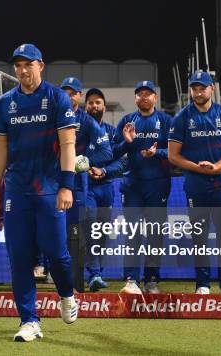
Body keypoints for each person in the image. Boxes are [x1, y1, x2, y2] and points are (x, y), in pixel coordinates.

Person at [0, 43, 79, 342]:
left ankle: (66, 294)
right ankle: (29, 320)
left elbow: (68, 145)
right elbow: (1, 147)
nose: (23, 70)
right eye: (18, 65)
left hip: (50, 188)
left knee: (57, 254)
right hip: (16, 189)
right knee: (20, 257)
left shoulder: (56, 98)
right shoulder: (5, 103)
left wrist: (67, 185)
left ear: (41, 65)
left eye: (28, 64)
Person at [168, 71, 221, 295]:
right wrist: (196, 167)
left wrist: (220, 165)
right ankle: (202, 284)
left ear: (212, 89)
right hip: (195, 184)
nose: (198, 92)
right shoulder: (182, 117)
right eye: (194, 88)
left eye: (202, 88)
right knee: (199, 235)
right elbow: (173, 156)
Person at [112, 81, 172, 294]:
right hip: (133, 185)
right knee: (133, 233)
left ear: (155, 98)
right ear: (135, 98)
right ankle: (131, 280)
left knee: (155, 233)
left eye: (148, 94)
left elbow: (176, 152)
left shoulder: (166, 121)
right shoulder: (127, 121)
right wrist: (128, 143)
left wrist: (158, 153)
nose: (144, 97)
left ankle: (152, 280)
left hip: (158, 184)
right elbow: (114, 152)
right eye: (140, 94)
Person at [59, 77, 112, 292]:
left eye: (74, 93)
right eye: (66, 92)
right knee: (54, 231)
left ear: (80, 96)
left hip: (77, 185)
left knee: (82, 231)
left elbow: (106, 151)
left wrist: (86, 161)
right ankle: (60, 276)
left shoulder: (87, 121)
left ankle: (91, 276)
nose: (69, 96)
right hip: (52, 182)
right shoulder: (50, 116)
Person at [84, 88, 119, 291]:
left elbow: (121, 164)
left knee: (102, 233)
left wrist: (104, 170)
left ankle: (97, 273)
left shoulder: (112, 132)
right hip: (86, 187)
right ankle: (94, 274)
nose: (94, 105)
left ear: (104, 107)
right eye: (91, 102)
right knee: (89, 229)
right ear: (85, 106)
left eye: (98, 102)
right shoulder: (79, 131)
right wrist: (86, 169)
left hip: (105, 188)